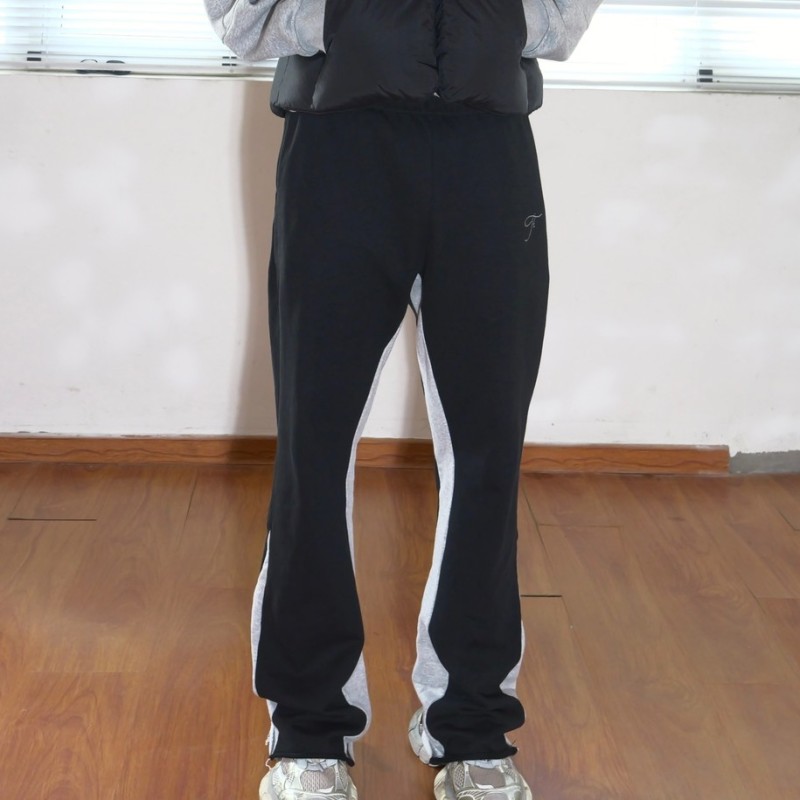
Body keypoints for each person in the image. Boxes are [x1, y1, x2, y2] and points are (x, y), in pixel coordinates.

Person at [204, 2, 602, 798]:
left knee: (488, 455)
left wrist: (498, 22)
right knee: (315, 455)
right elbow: (241, 19)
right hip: (338, 149)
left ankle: (471, 726)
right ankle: (309, 733)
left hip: (489, 154)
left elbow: (561, 22)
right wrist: (345, 19)